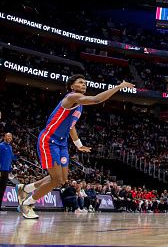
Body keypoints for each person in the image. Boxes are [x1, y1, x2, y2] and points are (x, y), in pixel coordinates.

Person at [17, 75, 134, 219]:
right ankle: (27, 204)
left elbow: (71, 126)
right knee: (55, 179)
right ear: (72, 86)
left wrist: (78, 144)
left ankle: (25, 188)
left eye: (85, 83)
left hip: (62, 142)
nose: (84, 84)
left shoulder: (79, 104)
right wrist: (118, 87)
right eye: (80, 82)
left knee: (62, 179)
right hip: (49, 140)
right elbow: (97, 99)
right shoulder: (71, 97)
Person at [0, 133, 16, 211]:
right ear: (4, 137)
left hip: (6, 171)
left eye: (11, 136)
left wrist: (10, 169)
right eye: (8, 136)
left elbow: (10, 159)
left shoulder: (10, 147)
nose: (10, 137)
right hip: (1, 170)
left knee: (2, 189)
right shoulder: (1, 146)